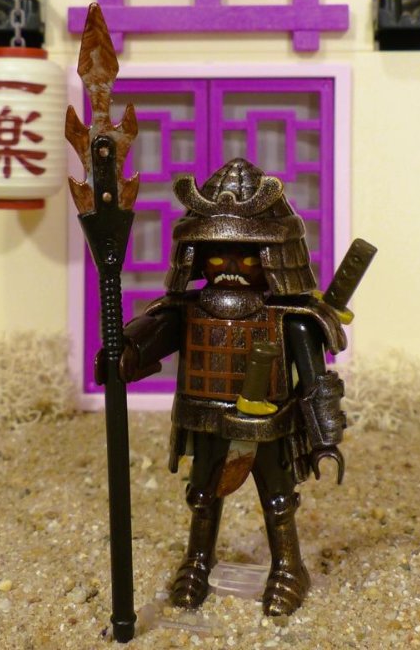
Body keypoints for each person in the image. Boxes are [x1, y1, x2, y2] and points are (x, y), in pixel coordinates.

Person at [96, 158, 348, 615]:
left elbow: (316, 381)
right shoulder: (187, 311)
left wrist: (325, 436)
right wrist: (125, 351)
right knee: (202, 496)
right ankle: (197, 560)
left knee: (278, 501)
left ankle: (288, 568)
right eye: (217, 256)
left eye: (246, 256)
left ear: (272, 258)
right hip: (207, 419)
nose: (231, 267)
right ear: (196, 256)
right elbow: (155, 333)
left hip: (269, 426)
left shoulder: (290, 318)